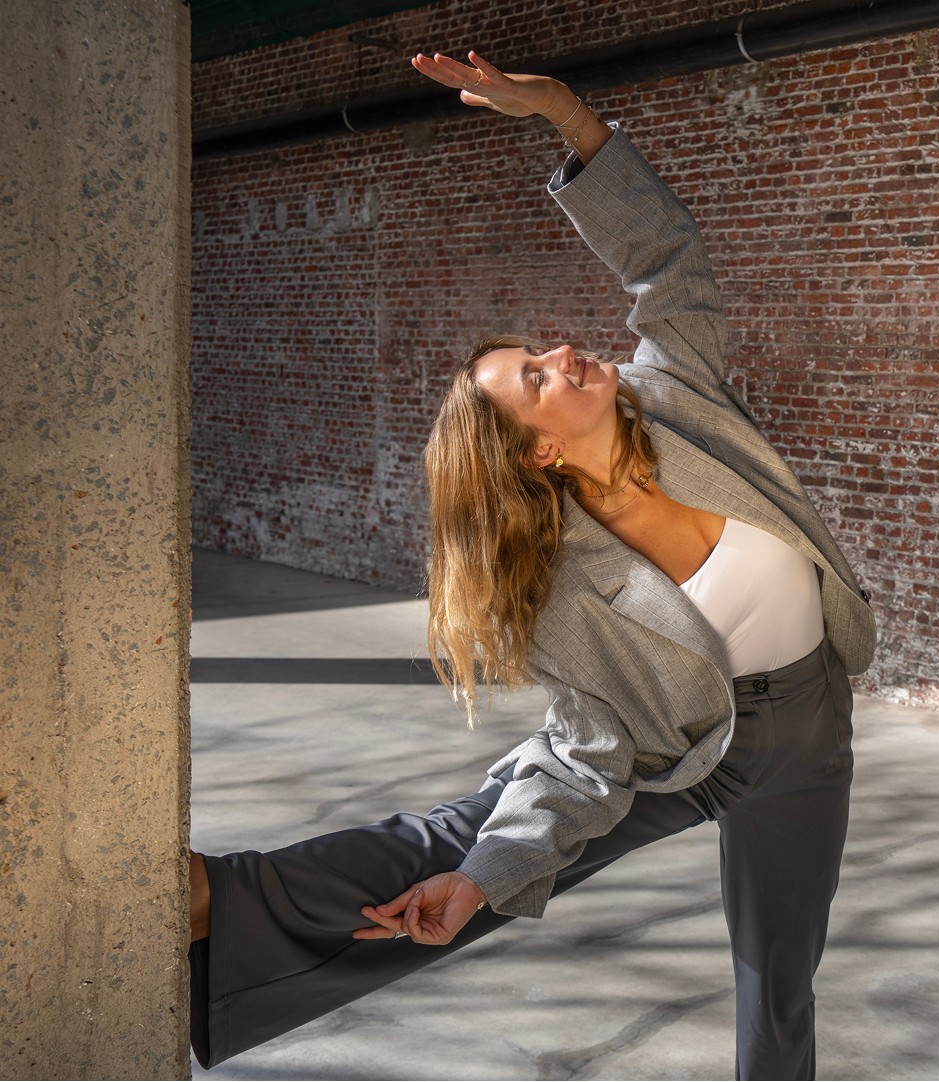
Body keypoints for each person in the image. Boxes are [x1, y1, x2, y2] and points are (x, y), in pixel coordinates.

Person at [188, 49, 876, 1081]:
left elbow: (666, 261)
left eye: (544, 350)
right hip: (689, 745)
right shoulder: (564, 583)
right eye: (536, 377)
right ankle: (219, 899)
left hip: (813, 725)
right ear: (540, 450)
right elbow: (589, 755)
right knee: (483, 835)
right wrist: (486, 882)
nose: (563, 353)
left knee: (779, 973)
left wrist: (568, 117)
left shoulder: (675, 395)